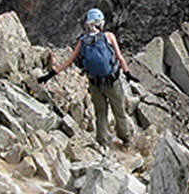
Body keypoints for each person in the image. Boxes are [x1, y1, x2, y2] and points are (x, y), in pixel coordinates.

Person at [50, 8, 132, 145]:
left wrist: (51, 74)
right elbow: (120, 58)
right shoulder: (109, 36)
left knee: (100, 113)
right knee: (119, 110)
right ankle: (125, 138)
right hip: (112, 81)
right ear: (101, 23)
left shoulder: (83, 42)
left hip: (95, 83)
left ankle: (102, 141)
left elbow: (69, 61)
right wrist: (128, 74)